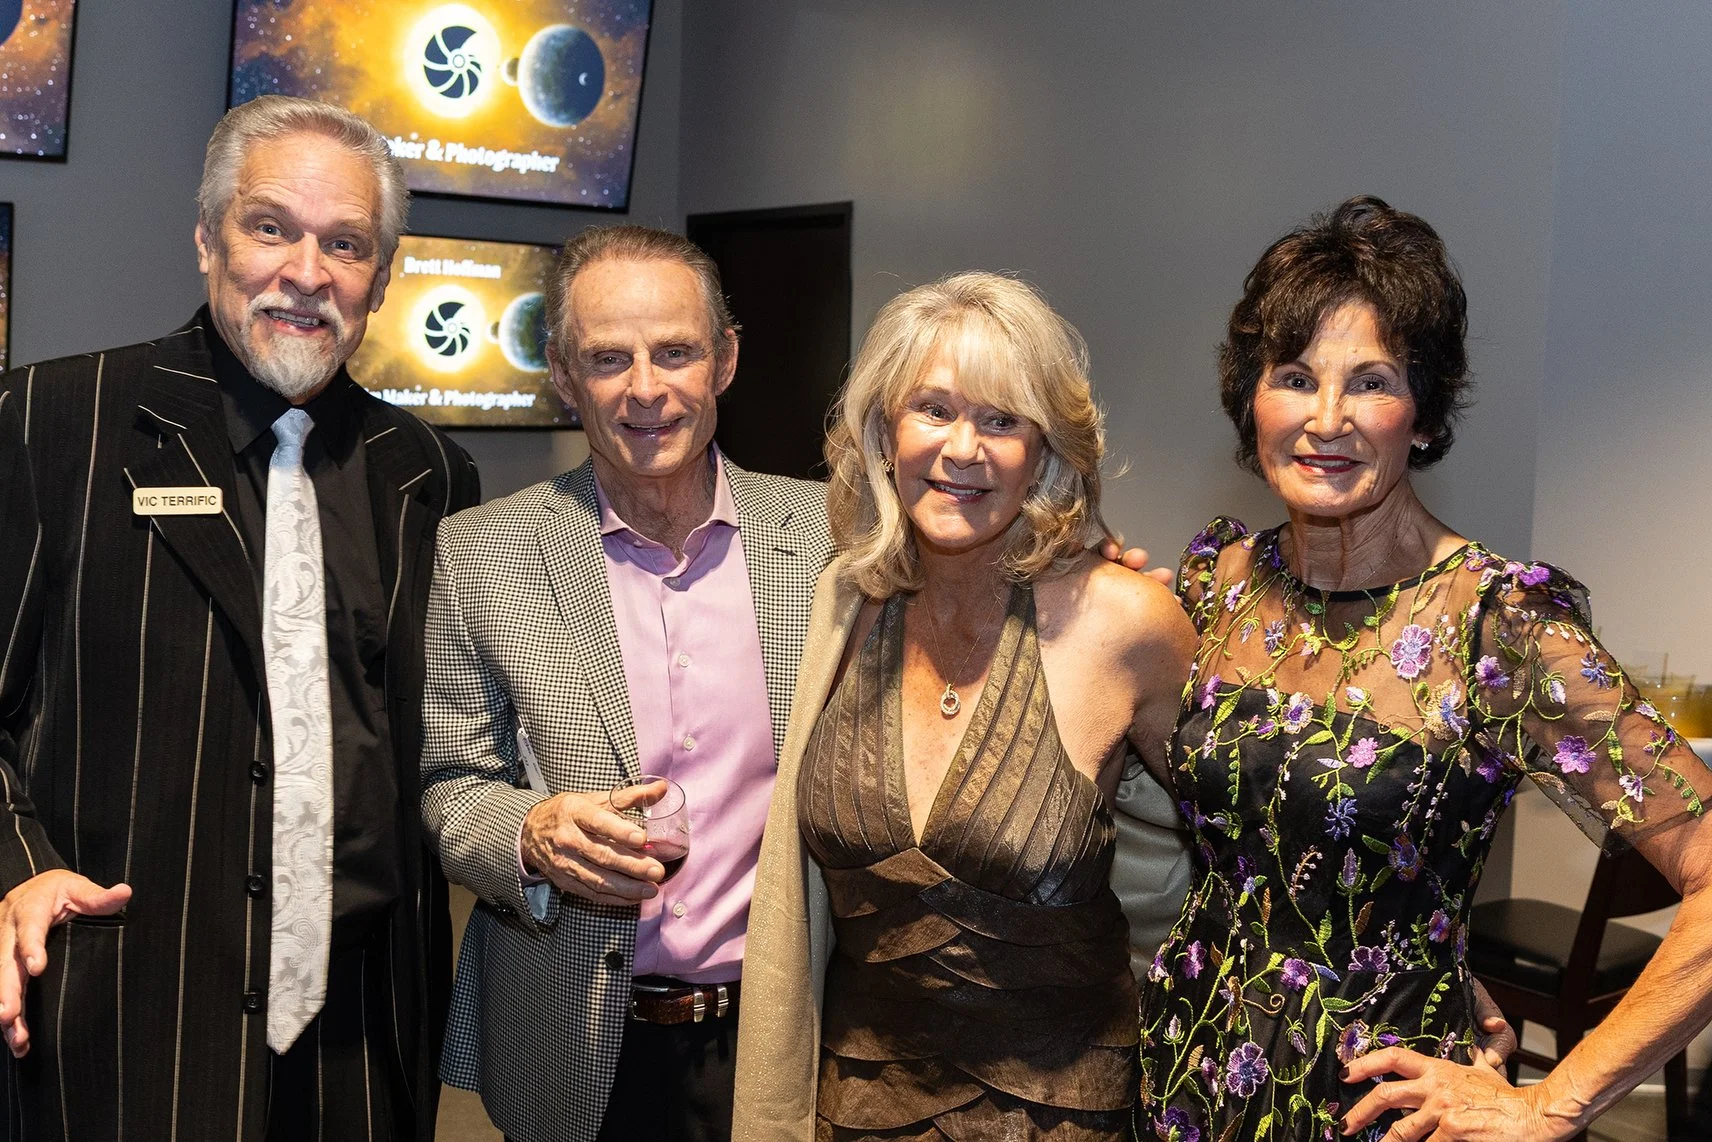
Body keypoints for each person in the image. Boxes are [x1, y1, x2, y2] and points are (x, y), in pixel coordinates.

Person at [1137, 195, 1712, 1142]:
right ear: (1252, 400)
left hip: (1377, 1109)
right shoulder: (1215, 580)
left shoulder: (1499, 624)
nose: (1326, 419)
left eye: (1370, 382)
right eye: (1294, 377)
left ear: (1425, 413)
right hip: (1188, 1077)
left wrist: (1552, 1105)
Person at [0, 95, 479, 1140]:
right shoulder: (56, 421)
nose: (306, 272)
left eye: (345, 243)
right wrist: (17, 870)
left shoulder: (431, 476)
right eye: (271, 227)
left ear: (381, 277)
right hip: (127, 1016)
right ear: (207, 240)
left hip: (364, 1039)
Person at [731, 271, 1198, 1141]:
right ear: (885, 433)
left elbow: (1250, 850)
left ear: (1046, 450)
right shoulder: (843, 603)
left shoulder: (1126, 622)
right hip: (855, 1106)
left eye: (1001, 420)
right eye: (934, 409)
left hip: (1061, 1117)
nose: (962, 448)